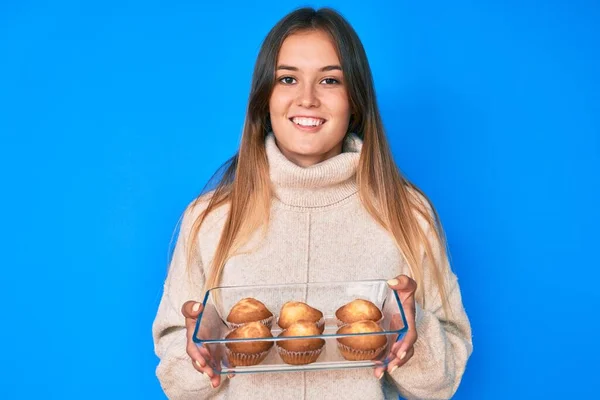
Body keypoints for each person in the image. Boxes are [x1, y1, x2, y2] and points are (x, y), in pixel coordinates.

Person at [152, 7, 472, 400]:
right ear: (264, 98)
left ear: (355, 99)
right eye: (287, 79)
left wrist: (412, 329)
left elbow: (443, 383)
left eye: (330, 80)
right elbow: (174, 380)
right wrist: (203, 355)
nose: (307, 98)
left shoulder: (408, 214)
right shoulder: (210, 218)